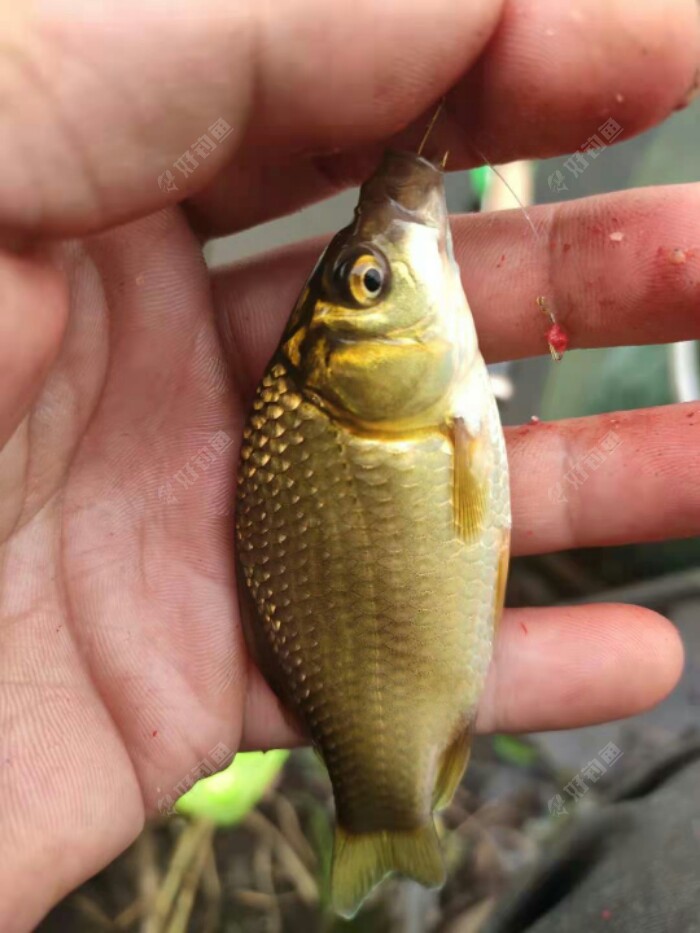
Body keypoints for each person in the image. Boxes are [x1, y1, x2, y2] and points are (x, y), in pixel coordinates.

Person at [0, 1, 698, 930]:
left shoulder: (382, 411)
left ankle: (383, 825)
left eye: (368, 280)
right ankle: (385, 821)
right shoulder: (385, 412)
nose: (392, 255)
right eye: (371, 283)